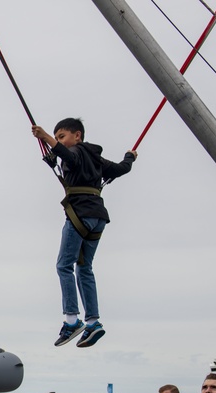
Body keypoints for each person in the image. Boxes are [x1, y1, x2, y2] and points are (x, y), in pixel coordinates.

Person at [32, 118, 137, 348]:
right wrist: (130, 156)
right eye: (57, 136)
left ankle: (72, 319)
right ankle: (93, 322)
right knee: (84, 268)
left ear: (77, 135)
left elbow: (67, 155)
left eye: (62, 136)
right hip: (97, 218)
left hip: (79, 215)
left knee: (63, 266)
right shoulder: (96, 159)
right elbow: (121, 168)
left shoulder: (76, 151)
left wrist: (45, 138)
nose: (59, 141)